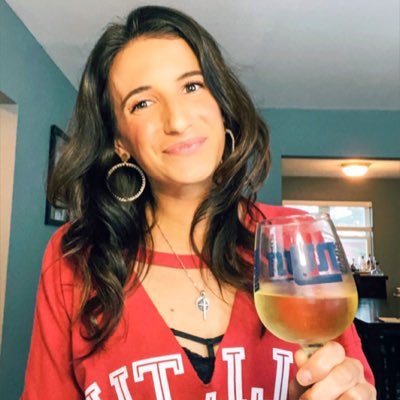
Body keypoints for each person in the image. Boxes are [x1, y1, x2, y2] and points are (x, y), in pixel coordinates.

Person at [22, 5, 376, 400]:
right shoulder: (75, 258)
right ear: (120, 142)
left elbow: (351, 378)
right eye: (142, 103)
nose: (177, 121)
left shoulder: (296, 238)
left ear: (220, 104)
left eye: (192, 86)